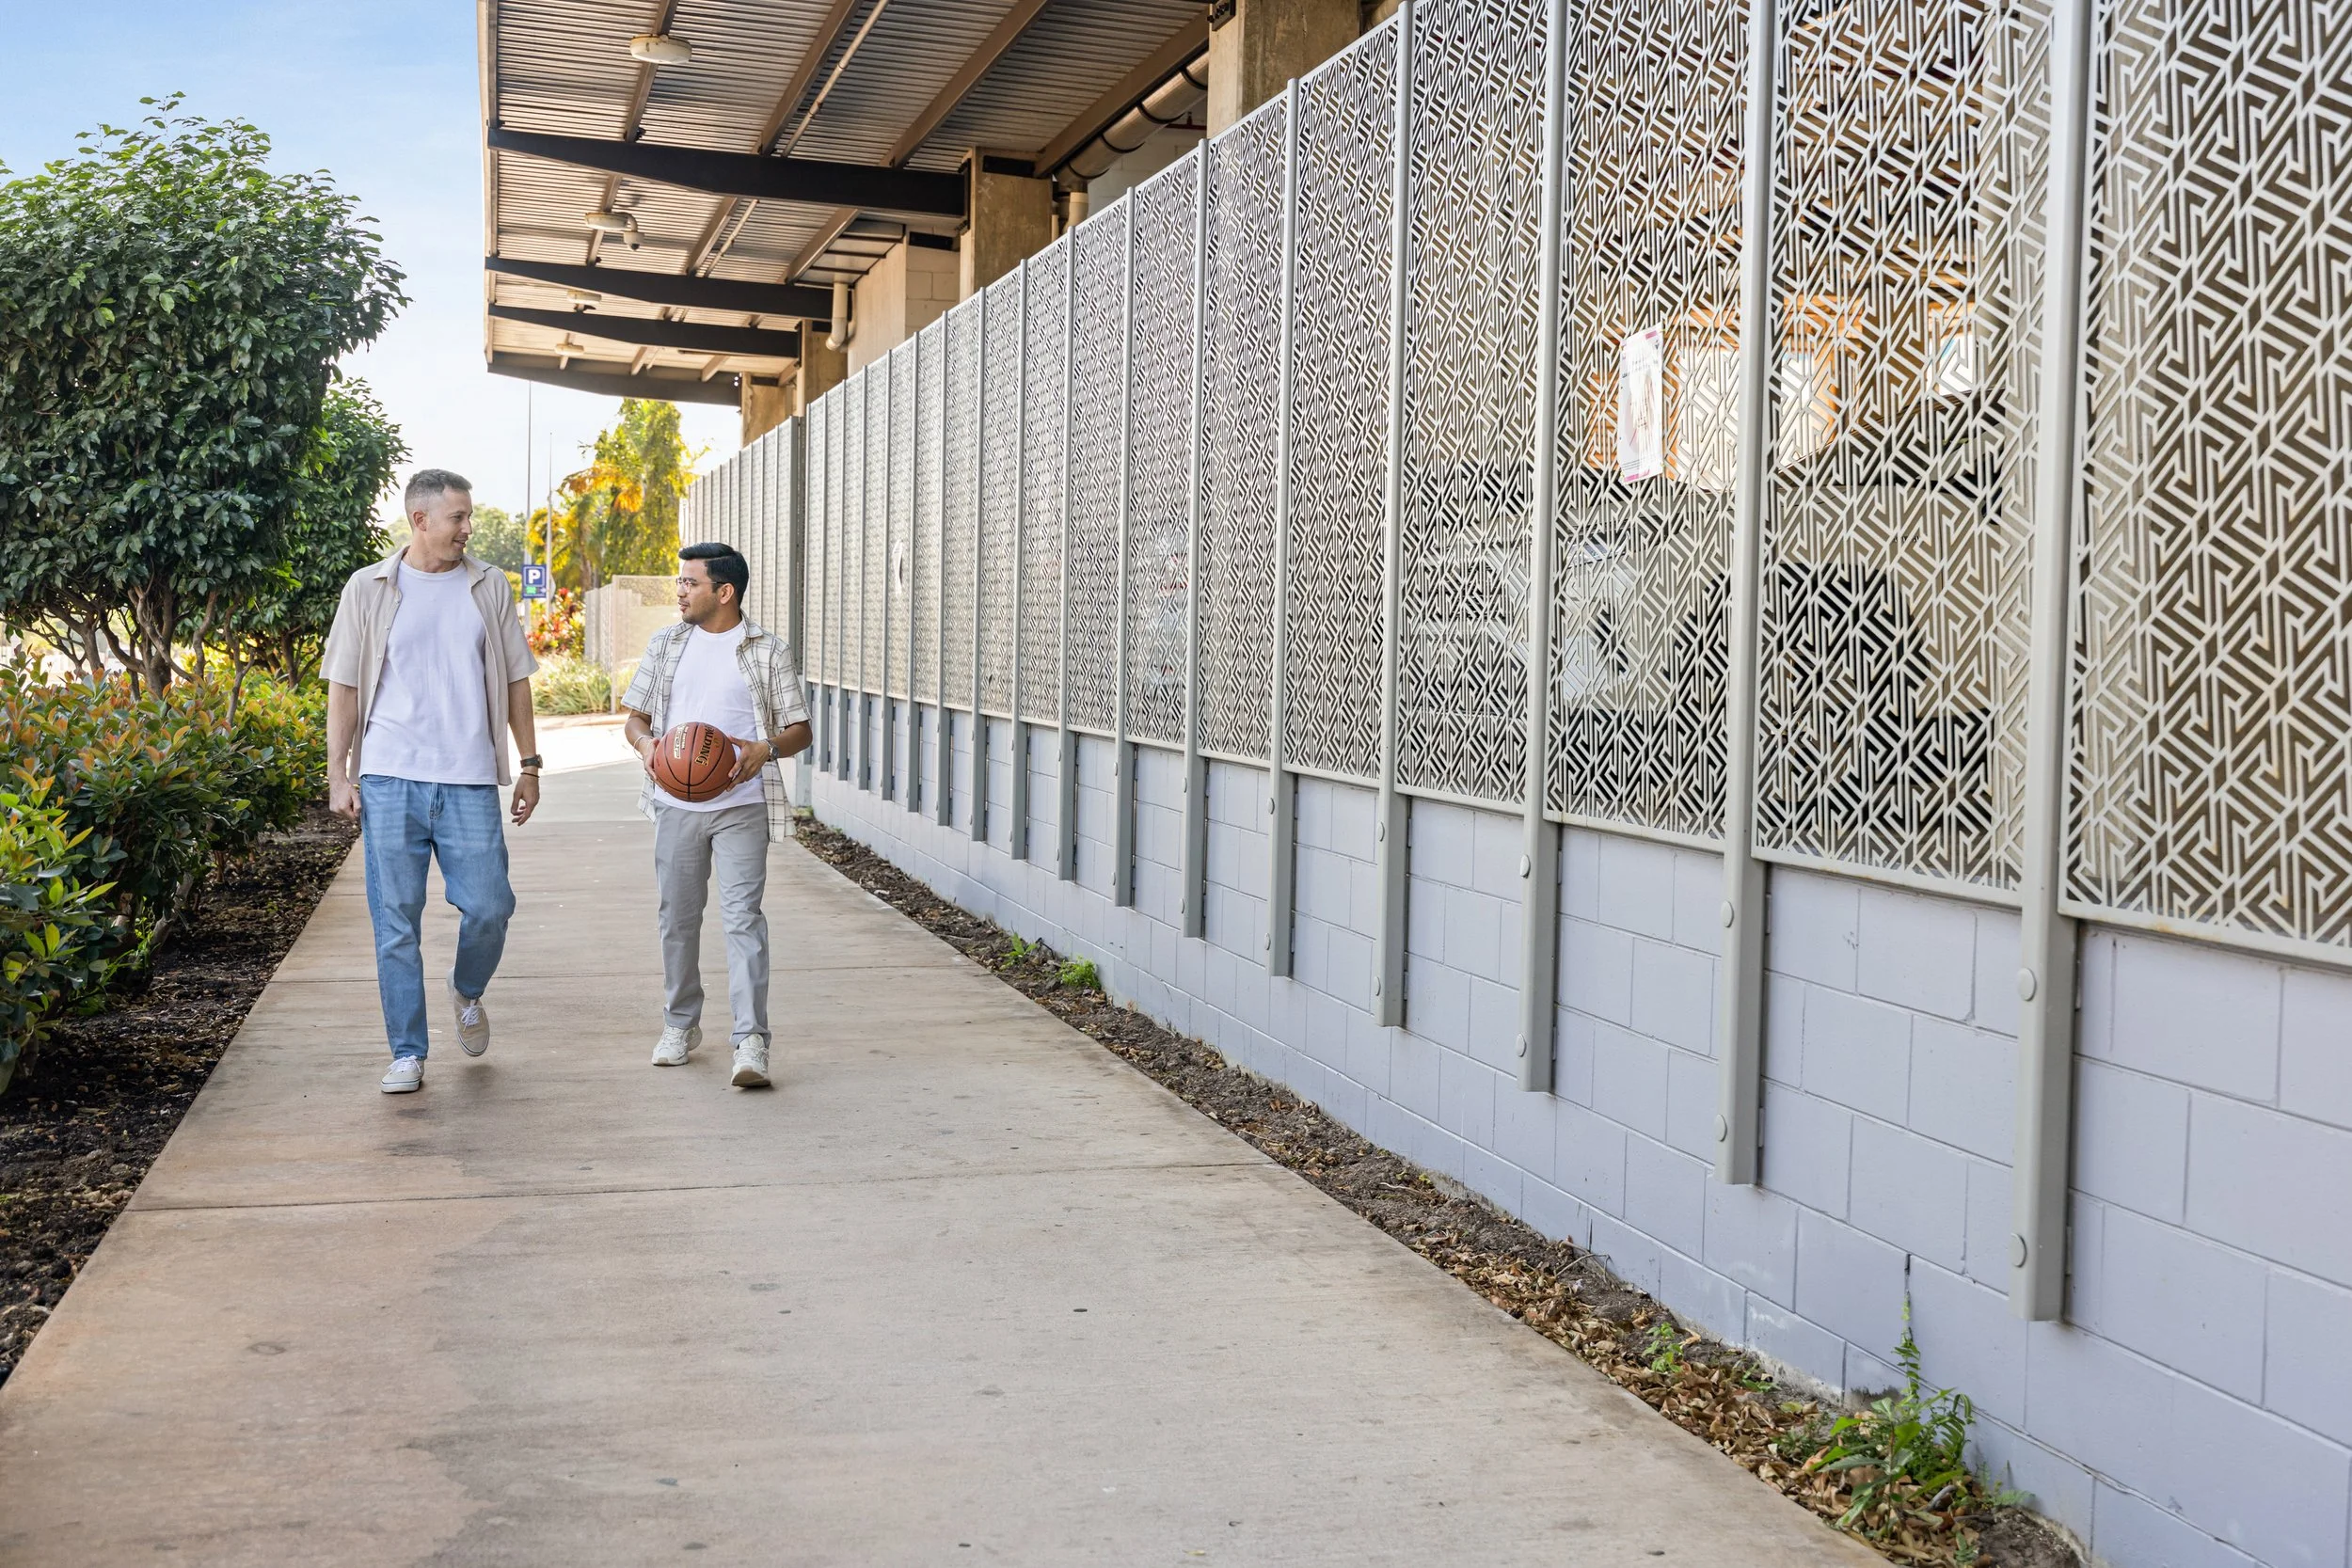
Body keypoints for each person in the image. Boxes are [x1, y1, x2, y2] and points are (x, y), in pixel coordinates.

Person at [323, 469, 542, 1094]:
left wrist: (529, 763)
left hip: (469, 777)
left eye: (468, 517)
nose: (467, 529)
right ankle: (407, 1050)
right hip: (391, 775)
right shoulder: (369, 588)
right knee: (396, 919)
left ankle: (466, 989)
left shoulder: (487, 585)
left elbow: (516, 679)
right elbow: (344, 685)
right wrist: (337, 773)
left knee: (491, 906)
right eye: (457, 518)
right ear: (420, 520)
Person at [620, 542, 812, 1089]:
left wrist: (764, 749)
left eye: (689, 583)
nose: (679, 590)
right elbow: (635, 719)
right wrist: (649, 749)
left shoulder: (767, 650)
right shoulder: (666, 644)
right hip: (676, 804)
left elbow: (800, 729)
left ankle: (751, 1041)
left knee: (742, 918)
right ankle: (680, 1024)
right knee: (677, 920)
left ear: (723, 592)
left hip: (741, 807)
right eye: (679, 581)